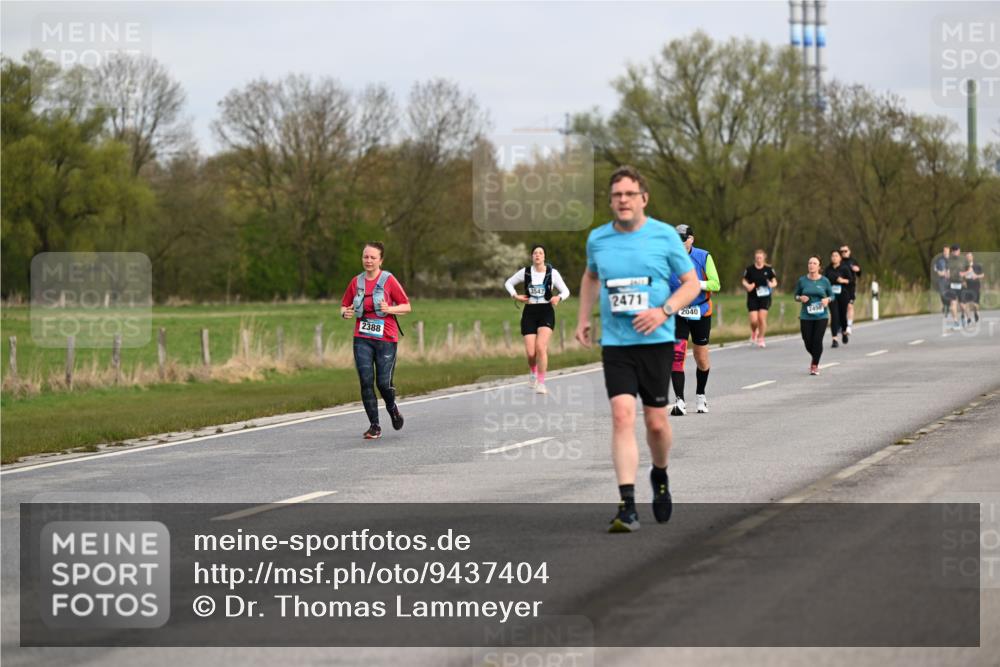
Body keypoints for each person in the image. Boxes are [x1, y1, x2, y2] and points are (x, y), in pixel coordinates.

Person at [575, 165, 699, 533]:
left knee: (657, 423)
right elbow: (591, 275)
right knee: (621, 416)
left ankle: (659, 475)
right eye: (616, 195)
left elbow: (691, 284)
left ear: (643, 198)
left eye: (630, 194)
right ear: (611, 201)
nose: (623, 200)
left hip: (657, 342)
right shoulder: (598, 239)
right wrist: (583, 316)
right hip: (617, 343)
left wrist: (663, 311)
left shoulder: (663, 237)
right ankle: (627, 504)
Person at [340, 242, 411, 439]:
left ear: (380, 260)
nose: (368, 260)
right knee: (365, 381)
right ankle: (374, 426)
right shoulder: (356, 282)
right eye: (365, 257)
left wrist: (390, 309)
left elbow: (406, 306)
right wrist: (345, 313)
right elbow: (344, 305)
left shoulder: (388, 280)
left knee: (383, 383)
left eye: (372, 257)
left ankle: (392, 408)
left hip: (386, 338)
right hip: (362, 338)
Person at [504, 245, 571, 394]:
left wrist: (558, 297)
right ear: (532, 256)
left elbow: (566, 291)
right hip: (530, 312)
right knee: (530, 353)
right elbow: (508, 283)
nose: (538, 255)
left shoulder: (552, 273)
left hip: (546, 311)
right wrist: (515, 296)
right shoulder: (525, 272)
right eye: (535, 253)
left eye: (541, 253)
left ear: (544, 257)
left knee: (541, 347)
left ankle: (541, 383)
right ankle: (533, 373)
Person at [669, 224, 720, 415]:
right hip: (678, 312)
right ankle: (680, 401)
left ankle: (701, 395)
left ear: (691, 239)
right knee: (677, 355)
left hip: (700, 311)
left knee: (701, 358)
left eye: (683, 239)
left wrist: (696, 283)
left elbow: (716, 284)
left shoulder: (704, 257)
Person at [794, 256, 834, 375]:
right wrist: (800, 298)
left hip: (821, 316)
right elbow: (795, 296)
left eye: (814, 263)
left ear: (819, 267)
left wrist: (828, 300)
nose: (811, 265)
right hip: (806, 315)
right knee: (807, 341)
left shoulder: (825, 281)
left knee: (817, 340)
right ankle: (816, 355)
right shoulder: (802, 281)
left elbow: (832, 296)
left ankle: (814, 365)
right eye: (810, 263)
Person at [741, 249, 778, 348]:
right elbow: (744, 281)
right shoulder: (749, 269)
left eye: (760, 257)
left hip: (765, 297)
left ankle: (761, 338)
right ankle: (754, 332)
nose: (759, 259)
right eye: (757, 257)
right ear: (755, 258)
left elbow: (775, 282)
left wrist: (771, 284)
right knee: (754, 320)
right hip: (752, 297)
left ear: (764, 257)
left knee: (761, 318)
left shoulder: (769, 269)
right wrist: (747, 286)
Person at [824, 250, 852, 347]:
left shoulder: (845, 268)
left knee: (842, 315)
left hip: (843, 294)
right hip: (832, 295)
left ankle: (844, 332)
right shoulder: (828, 269)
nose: (834, 257)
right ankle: (834, 339)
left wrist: (843, 280)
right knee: (834, 315)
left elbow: (850, 281)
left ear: (840, 258)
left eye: (836, 256)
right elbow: (824, 281)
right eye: (832, 256)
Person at [839, 244, 862, 334]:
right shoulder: (838, 261)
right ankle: (841, 325)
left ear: (849, 251)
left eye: (845, 251)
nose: (843, 253)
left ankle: (849, 326)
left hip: (850, 288)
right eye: (842, 251)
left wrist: (858, 270)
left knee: (850, 305)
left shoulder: (853, 261)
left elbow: (859, 274)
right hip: (839, 288)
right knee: (840, 308)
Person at [945, 244, 965, 329]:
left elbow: (968, 270)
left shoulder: (963, 260)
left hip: (961, 283)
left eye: (957, 250)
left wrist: (963, 275)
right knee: (953, 303)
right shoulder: (948, 261)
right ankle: (956, 322)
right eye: (954, 250)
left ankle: (963, 316)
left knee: (962, 305)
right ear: (952, 252)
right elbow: (947, 271)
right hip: (952, 284)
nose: (956, 252)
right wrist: (947, 276)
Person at [961, 251, 984, 325]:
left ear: (972, 257)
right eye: (967, 257)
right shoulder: (964, 267)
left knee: (975, 304)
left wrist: (977, 276)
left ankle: (976, 312)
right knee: (966, 303)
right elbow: (961, 276)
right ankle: (968, 318)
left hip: (976, 286)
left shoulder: (978, 265)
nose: (969, 258)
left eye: (970, 256)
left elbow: (982, 275)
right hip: (967, 286)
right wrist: (963, 281)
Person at [933, 245, 952, 321]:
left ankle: (948, 306)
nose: (945, 252)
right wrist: (940, 272)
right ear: (943, 251)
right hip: (942, 279)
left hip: (951, 280)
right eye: (944, 251)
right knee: (942, 293)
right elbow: (936, 268)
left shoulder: (952, 259)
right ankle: (945, 305)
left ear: (949, 251)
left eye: (947, 251)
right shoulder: (939, 260)